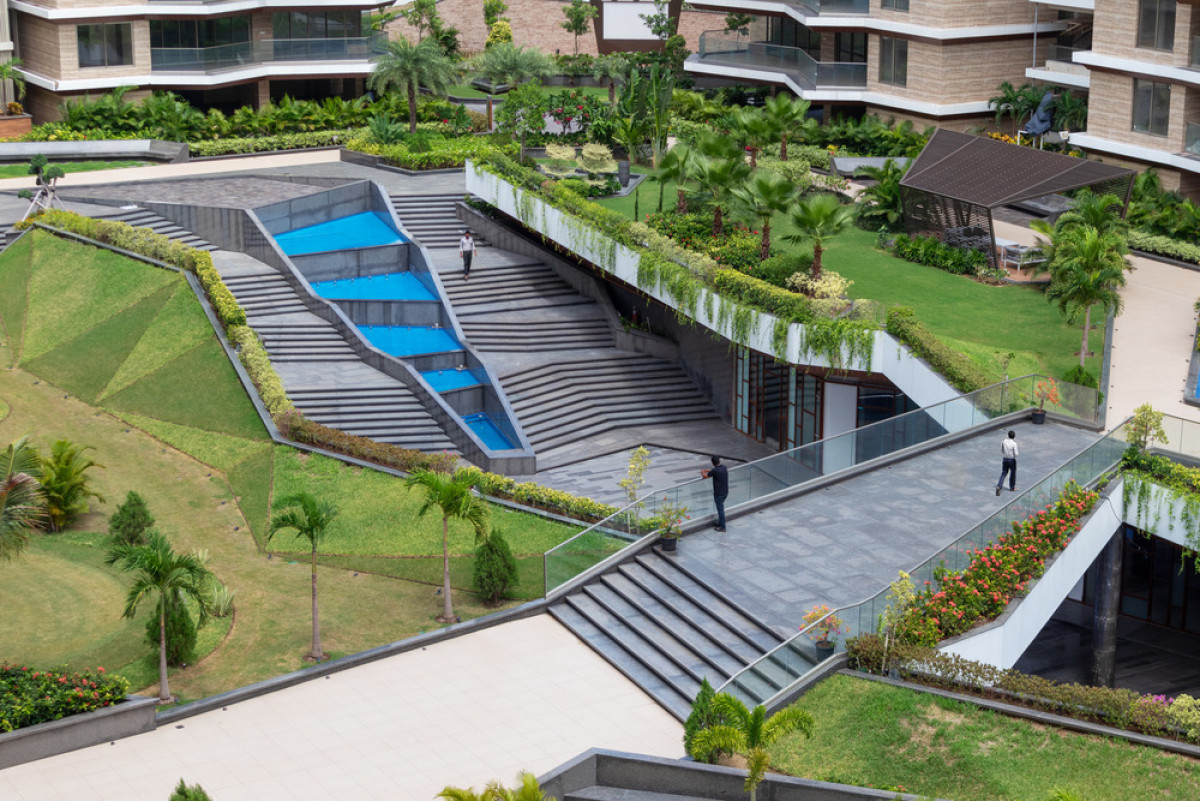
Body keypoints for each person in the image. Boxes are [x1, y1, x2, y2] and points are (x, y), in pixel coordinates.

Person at [700, 455, 729, 532]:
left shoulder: (715, 471)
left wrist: (703, 472)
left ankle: (723, 527)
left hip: (718, 493)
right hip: (725, 492)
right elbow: (713, 471)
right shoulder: (724, 467)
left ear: (712, 463)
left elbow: (705, 476)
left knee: (720, 510)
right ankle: (720, 523)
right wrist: (707, 470)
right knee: (721, 508)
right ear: (719, 461)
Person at [996, 430, 1018, 496]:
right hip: (1011, 460)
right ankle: (1012, 487)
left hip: (1005, 459)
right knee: (1013, 473)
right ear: (1014, 436)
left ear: (1008, 435)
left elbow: (1001, 450)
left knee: (1004, 473)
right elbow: (1016, 453)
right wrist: (1014, 456)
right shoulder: (1014, 443)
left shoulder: (1004, 442)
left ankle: (999, 485)